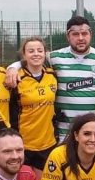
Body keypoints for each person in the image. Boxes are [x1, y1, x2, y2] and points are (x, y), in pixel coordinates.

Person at [4, 16, 95, 141]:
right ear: (68, 36)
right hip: (64, 132)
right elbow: (33, 59)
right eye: (75, 34)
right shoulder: (55, 58)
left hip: (92, 132)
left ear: (90, 34)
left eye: (84, 33)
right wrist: (12, 68)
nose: (80, 38)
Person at [8, 36, 58, 170]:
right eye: (31, 51)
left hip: (48, 142)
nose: (36, 54)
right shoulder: (16, 78)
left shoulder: (52, 75)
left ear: (44, 53)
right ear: (24, 55)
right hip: (24, 143)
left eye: (39, 50)